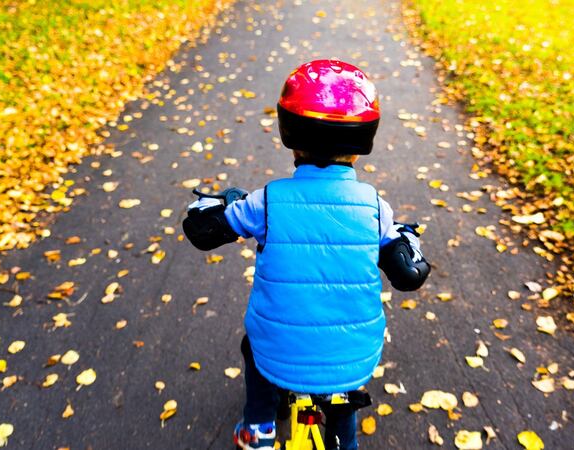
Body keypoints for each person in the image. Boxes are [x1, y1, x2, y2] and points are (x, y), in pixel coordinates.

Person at [183, 59, 431, 450]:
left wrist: (217, 207)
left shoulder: (267, 202)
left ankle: (259, 428)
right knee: (341, 398)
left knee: (255, 349)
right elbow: (403, 262)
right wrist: (403, 243)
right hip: (352, 353)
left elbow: (209, 229)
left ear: (290, 135)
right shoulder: (373, 207)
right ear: (362, 144)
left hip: (277, 348)